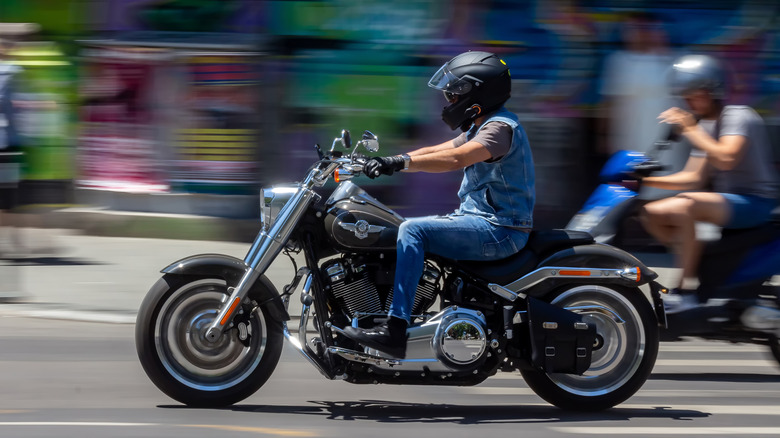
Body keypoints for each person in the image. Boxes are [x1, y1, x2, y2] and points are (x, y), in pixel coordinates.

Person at [343, 51, 535, 358]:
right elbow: (437, 149)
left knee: (412, 231)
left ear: (479, 92)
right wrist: (393, 160)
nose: (448, 98)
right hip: (484, 222)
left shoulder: (500, 129)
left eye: (455, 91)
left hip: (499, 229)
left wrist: (398, 165)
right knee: (397, 227)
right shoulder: (480, 126)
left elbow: (456, 158)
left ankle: (394, 330)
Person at [639, 54, 779, 313]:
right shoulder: (707, 127)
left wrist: (690, 128)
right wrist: (643, 181)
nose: (688, 102)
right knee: (651, 212)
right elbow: (693, 177)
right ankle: (698, 259)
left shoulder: (739, 116)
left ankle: (684, 291)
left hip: (756, 202)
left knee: (687, 206)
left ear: (714, 90)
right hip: (729, 203)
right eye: (685, 96)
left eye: (694, 94)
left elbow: (726, 157)